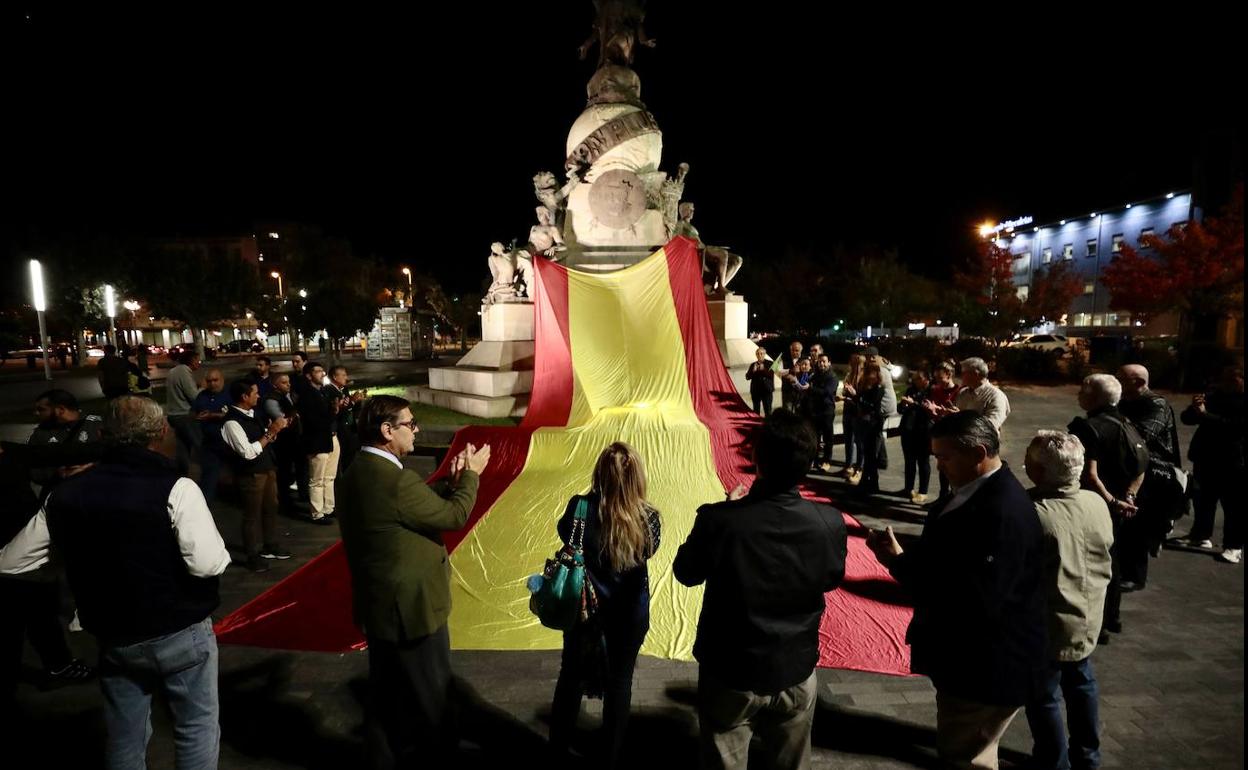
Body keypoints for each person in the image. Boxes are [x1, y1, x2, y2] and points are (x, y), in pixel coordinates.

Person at [0, 396, 231, 769]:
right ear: (159, 433)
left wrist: (66, 561)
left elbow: (11, 562)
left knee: (125, 733)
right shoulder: (176, 488)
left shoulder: (66, 494)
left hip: (113, 635)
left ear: (105, 435)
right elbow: (208, 564)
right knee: (196, 726)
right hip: (179, 629)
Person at [867, 411, 1045, 770]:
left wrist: (900, 565)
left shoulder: (1001, 511)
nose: (939, 465)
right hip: (972, 662)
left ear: (979, 453)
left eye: (944, 457)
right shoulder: (978, 492)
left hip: (982, 667)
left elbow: (972, 598)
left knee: (964, 756)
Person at [674, 410, 847, 770]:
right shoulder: (828, 522)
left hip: (731, 669)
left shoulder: (720, 520)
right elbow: (830, 578)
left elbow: (686, 572)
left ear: (756, 457)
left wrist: (726, 510)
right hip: (795, 666)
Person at [336, 395, 490, 769]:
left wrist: (449, 483)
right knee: (433, 698)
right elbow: (453, 517)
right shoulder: (396, 481)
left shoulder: (359, 470)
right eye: (411, 423)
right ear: (387, 431)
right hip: (412, 611)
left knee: (385, 697)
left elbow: (407, 507)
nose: (416, 429)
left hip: (381, 607)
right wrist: (471, 476)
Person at [549, 443, 661, 768]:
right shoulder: (649, 518)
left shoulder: (579, 508)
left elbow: (565, 536)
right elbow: (650, 552)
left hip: (584, 611)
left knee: (570, 676)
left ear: (599, 473)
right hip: (629, 615)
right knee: (620, 683)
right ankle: (611, 755)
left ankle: (557, 749)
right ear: (638, 477)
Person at [1022, 431, 1113, 770]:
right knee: (1081, 682)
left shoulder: (1034, 512)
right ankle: (1088, 756)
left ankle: (1052, 761)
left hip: (1049, 618)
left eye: (1029, 462)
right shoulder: (1095, 502)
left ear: (1041, 472)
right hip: (1088, 612)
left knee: (1044, 695)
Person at [1067, 374, 1148, 642]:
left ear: (1093, 397)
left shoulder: (1087, 427)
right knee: (1114, 561)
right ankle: (1113, 617)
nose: (1078, 394)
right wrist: (1129, 498)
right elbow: (1142, 464)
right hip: (1125, 505)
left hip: (1097, 506)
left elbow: (1089, 474)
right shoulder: (1127, 421)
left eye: (1082, 390)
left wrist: (1113, 502)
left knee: (1094, 565)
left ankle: (1097, 626)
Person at [1117, 364, 1185, 575]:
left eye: (1121, 379)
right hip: (1132, 467)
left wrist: (1115, 426)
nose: (1116, 382)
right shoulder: (1124, 402)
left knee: (1139, 522)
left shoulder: (1156, 403)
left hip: (1153, 471)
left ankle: (1135, 574)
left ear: (1138, 382)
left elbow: (1143, 435)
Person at [222, 378, 294, 573]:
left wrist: (273, 431)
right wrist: (270, 433)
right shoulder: (231, 422)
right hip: (250, 474)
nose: (259, 395)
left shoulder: (253, 414)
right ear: (244, 397)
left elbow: (263, 439)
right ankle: (252, 554)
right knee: (251, 515)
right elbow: (247, 451)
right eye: (255, 393)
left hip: (267, 468)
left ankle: (270, 545)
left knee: (271, 508)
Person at [1177, 365, 1244, 564]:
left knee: (1234, 505)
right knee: (1203, 500)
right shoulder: (1216, 395)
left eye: (1232, 379)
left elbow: (1235, 426)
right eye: (1224, 378)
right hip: (1206, 457)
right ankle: (1200, 536)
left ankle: (1234, 546)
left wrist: (1206, 415)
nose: (1226, 383)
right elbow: (1186, 419)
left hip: (1234, 461)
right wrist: (1195, 408)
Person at [295, 361, 340, 523]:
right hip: (316, 441)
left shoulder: (323, 392)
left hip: (329, 438)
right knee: (317, 479)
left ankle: (328, 507)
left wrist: (334, 409)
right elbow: (314, 420)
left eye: (323, 371)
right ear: (308, 375)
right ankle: (317, 513)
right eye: (318, 371)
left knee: (329, 476)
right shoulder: (307, 395)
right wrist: (332, 412)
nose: (322, 374)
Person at [264, 372, 310, 517]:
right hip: (283, 442)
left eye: (288, 382)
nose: (288, 385)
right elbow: (281, 420)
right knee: (284, 472)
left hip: (297, 438)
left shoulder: (290, 396)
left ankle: (303, 495)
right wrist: (294, 416)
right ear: (275, 385)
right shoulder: (271, 400)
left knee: (302, 467)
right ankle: (285, 502)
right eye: (284, 382)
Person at [190, 368, 230, 505]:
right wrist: (197, 417)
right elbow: (194, 413)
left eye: (215, 380)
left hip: (230, 442)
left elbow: (236, 414)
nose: (212, 384)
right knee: (209, 474)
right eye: (209, 381)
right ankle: (204, 504)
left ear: (222, 379)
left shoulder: (230, 394)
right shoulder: (202, 396)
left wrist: (214, 415)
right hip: (210, 443)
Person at [946, 357, 1011, 439]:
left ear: (975, 374)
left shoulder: (996, 396)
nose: (961, 376)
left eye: (964, 373)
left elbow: (990, 427)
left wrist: (961, 418)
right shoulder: (962, 393)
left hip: (981, 446)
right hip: (960, 443)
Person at [849, 363, 888, 494]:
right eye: (867, 373)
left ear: (876, 375)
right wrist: (855, 396)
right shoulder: (865, 388)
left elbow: (872, 405)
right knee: (867, 454)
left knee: (871, 456)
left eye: (870, 373)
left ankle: (871, 483)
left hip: (874, 425)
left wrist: (857, 397)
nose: (868, 376)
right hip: (864, 424)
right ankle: (868, 482)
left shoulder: (879, 388)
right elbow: (860, 401)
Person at [924, 362, 960, 498]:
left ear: (949, 374)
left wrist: (948, 412)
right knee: (942, 467)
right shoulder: (935, 390)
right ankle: (943, 496)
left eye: (940, 377)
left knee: (954, 467)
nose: (937, 381)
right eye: (936, 378)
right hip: (940, 432)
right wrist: (932, 411)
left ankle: (954, 496)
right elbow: (934, 413)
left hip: (954, 434)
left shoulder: (959, 391)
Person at [898, 369, 934, 504]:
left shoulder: (931, 391)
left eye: (918, 378)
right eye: (914, 379)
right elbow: (900, 410)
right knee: (909, 461)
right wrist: (903, 404)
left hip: (923, 430)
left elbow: (929, 411)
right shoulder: (910, 390)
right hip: (908, 429)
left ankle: (923, 491)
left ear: (925, 379)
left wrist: (914, 405)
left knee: (923, 461)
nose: (915, 381)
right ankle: (909, 488)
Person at [165, 349, 203, 474]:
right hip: (184, 415)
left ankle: (182, 473)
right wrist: (203, 388)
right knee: (200, 445)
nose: (199, 363)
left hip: (173, 415)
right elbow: (194, 396)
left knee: (182, 446)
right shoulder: (184, 372)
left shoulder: (173, 371)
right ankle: (208, 475)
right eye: (198, 360)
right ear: (192, 360)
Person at [325, 365, 366, 473]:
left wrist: (357, 402)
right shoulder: (329, 391)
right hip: (340, 430)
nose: (346, 377)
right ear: (334, 377)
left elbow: (350, 409)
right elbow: (338, 411)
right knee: (344, 459)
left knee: (352, 457)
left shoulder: (343, 389)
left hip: (350, 428)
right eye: (343, 375)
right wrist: (352, 401)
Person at [808, 354, 840, 471]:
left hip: (827, 410)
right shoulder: (815, 375)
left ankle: (827, 460)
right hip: (815, 409)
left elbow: (827, 391)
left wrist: (811, 389)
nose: (821, 364)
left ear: (829, 363)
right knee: (815, 437)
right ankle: (814, 459)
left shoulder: (833, 377)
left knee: (828, 437)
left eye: (824, 362)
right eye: (820, 362)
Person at [838, 353, 867, 483]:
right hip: (848, 410)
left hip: (858, 412)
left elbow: (863, 397)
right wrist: (844, 393)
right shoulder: (849, 376)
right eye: (854, 363)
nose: (855, 366)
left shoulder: (865, 378)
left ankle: (859, 468)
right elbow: (845, 391)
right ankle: (848, 465)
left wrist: (853, 394)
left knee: (859, 442)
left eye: (858, 364)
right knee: (848, 439)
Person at [772, 340, 804, 413]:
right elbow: (776, 370)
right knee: (787, 413)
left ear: (801, 350)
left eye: (797, 350)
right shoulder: (783, 357)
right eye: (793, 350)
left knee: (800, 414)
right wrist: (790, 370)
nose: (794, 352)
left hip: (801, 392)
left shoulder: (805, 359)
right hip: (787, 390)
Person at [744, 347, 775, 417]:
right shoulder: (753, 364)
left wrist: (763, 370)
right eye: (758, 354)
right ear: (756, 355)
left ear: (764, 354)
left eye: (761, 353)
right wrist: (753, 371)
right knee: (756, 410)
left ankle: (768, 425)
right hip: (756, 391)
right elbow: (747, 377)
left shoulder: (770, 363)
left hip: (767, 390)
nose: (760, 355)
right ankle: (756, 425)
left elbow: (771, 375)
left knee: (768, 410)